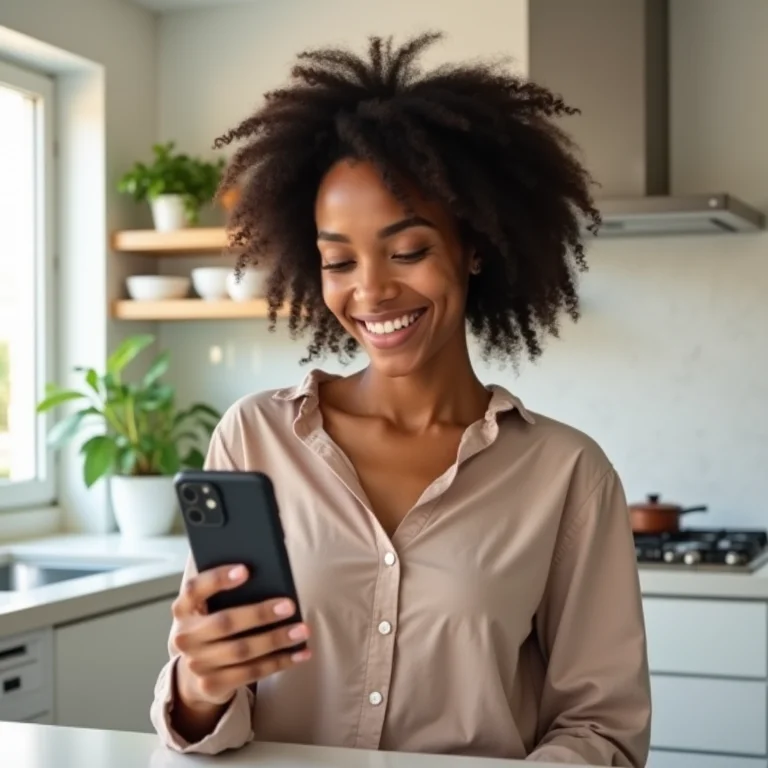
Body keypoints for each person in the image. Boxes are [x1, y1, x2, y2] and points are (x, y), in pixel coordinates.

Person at [150, 31, 651, 766]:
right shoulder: (256, 437)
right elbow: (208, 715)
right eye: (338, 260)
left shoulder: (566, 475)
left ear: (473, 246)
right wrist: (198, 686)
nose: (373, 290)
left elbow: (603, 731)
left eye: (408, 250)